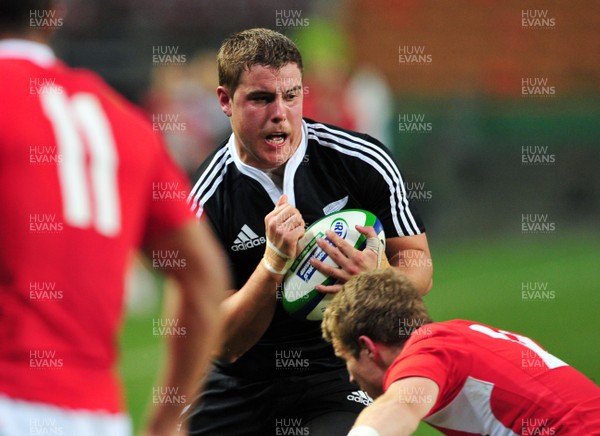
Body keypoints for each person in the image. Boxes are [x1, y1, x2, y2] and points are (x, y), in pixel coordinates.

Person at [186, 28, 432, 435]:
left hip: (337, 369)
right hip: (238, 382)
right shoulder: (203, 200)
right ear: (225, 101)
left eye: (291, 95)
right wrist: (273, 263)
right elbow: (222, 342)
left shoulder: (362, 160)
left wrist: (377, 281)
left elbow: (419, 263)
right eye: (261, 98)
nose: (279, 113)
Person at [0, 1, 229, 435]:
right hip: (98, 417)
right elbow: (204, 273)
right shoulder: (124, 120)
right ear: (54, 13)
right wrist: (166, 423)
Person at [321, 269, 600, 435]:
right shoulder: (457, 334)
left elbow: (398, 406)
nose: (351, 379)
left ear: (369, 349)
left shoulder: (427, 352)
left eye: (346, 360)